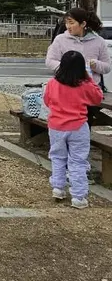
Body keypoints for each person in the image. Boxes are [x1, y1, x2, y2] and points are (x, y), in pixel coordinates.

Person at [43, 50, 103, 208]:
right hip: (78, 127)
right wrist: (89, 79)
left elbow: (47, 101)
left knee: (57, 157)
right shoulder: (84, 85)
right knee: (77, 161)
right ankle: (78, 196)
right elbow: (98, 98)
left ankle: (58, 187)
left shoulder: (52, 83)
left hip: (56, 126)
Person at [45, 8, 111, 89]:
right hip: (66, 86)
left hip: (91, 89)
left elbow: (107, 67)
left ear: (83, 24)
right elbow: (50, 61)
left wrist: (95, 64)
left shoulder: (99, 41)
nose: (68, 26)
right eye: (66, 23)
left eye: (71, 23)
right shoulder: (60, 39)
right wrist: (68, 69)